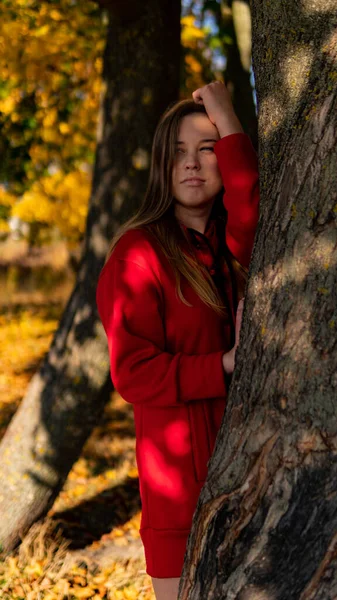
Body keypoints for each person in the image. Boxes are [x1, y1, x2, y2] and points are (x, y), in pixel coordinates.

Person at [96, 81, 259, 600]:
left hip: (251, 474)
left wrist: (227, 118)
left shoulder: (230, 248)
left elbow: (252, 213)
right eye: (178, 153)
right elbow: (133, 372)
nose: (192, 164)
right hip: (178, 493)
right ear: (161, 168)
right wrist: (223, 364)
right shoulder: (137, 254)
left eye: (206, 150)